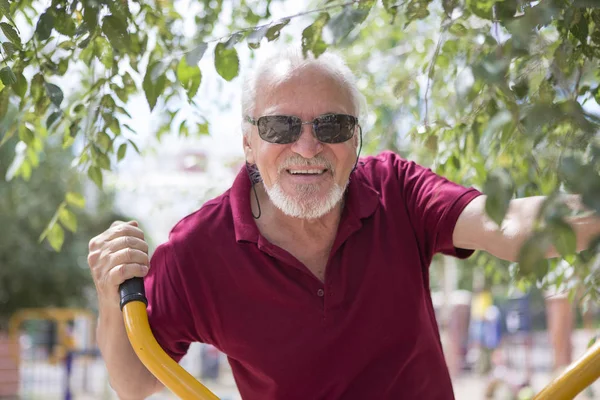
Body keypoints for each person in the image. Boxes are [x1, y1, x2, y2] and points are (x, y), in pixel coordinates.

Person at [87, 49, 600, 400]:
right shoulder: (197, 249)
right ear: (249, 142)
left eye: (331, 126)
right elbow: (134, 382)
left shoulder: (395, 190)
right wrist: (113, 299)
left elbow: (508, 223)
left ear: (355, 139)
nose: (307, 146)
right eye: (280, 126)